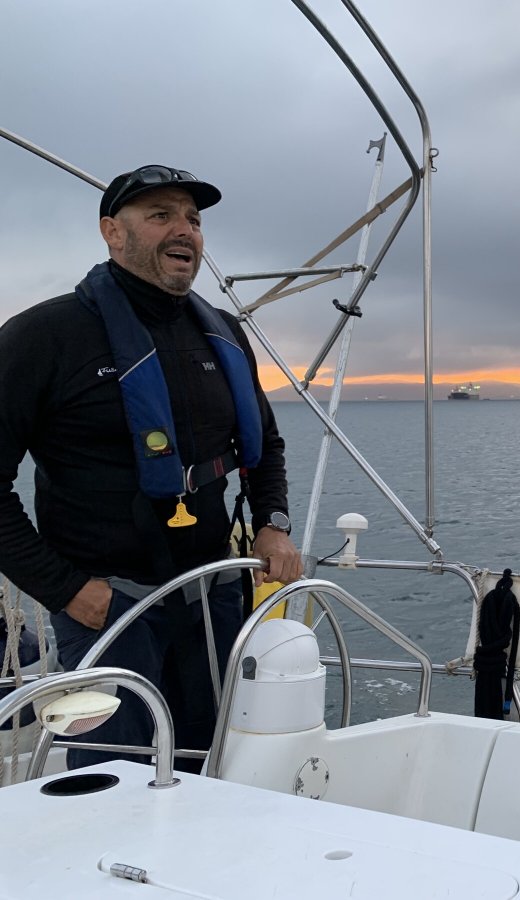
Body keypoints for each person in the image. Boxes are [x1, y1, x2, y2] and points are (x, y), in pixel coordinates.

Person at [0, 164, 304, 772]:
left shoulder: (224, 336)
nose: (184, 231)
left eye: (192, 219)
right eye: (161, 215)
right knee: (116, 780)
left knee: (211, 765)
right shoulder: (45, 337)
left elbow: (264, 445)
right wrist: (68, 592)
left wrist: (272, 522)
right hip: (107, 609)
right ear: (113, 233)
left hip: (215, 602)